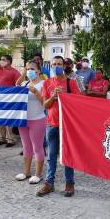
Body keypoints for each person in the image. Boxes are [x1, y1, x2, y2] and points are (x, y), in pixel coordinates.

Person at [37, 56, 81, 197]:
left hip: (67, 125)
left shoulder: (71, 83)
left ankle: (69, 183)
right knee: (51, 155)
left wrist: (65, 97)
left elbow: (78, 104)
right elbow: (45, 104)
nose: (56, 66)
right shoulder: (47, 83)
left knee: (68, 154)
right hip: (51, 124)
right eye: (54, 64)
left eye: (59, 64)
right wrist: (53, 96)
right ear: (50, 66)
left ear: (64, 66)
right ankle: (49, 183)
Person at [15, 61, 46, 184]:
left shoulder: (44, 83)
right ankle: (26, 172)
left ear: (38, 70)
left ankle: (38, 174)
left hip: (37, 119)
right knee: (26, 147)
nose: (29, 71)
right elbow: (16, 86)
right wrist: (22, 74)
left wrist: (35, 92)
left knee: (37, 147)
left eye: (32, 69)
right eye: (27, 69)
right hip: (23, 120)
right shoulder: (24, 83)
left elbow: (45, 102)